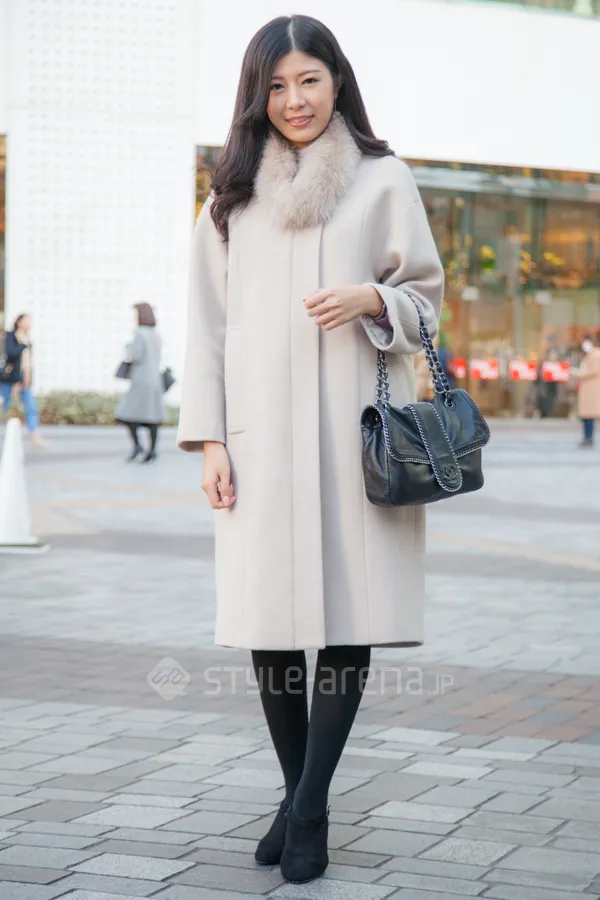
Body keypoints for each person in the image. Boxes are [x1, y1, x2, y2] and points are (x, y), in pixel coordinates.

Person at [176, 15, 443, 885]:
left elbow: (427, 301)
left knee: (348, 619)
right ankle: (299, 798)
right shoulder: (230, 198)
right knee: (270, 625)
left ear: (338, 82)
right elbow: (207, 330)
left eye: (310, 81)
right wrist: (211, 441)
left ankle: (310, 806)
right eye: (278, 85)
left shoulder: (383, 179)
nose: (294, 100)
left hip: (352, 436)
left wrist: (373, 297)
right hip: (258, 441)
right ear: (257, 96)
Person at [115, 302, 165, 462]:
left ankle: (138, 446)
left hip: (141, 380)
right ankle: (152, 449)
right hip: (155, 380)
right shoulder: (156, 335)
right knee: (152, 417)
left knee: (127, 415)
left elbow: (134, 355)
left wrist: (127, 347)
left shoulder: (140, 333)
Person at [0, 314, 46, 446]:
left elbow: (28, 362)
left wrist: (28, 378)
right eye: (26, 321)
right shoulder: (11, 336)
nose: (29, 324)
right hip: (10, 379)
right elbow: (11, 353)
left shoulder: (27, 338)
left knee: (31, 407)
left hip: (24, 380)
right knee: (4, 404)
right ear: (19, 322)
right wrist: (22, 345)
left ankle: (34, 435)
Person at [575, 335, 600, 447]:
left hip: (591, 389)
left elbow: (591, 371)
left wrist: (575, 372)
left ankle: (588, 438)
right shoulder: (591, 355)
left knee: (589, 415)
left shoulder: (595, 355)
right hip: (588, 388)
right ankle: (587, 437)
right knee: (586, 416)